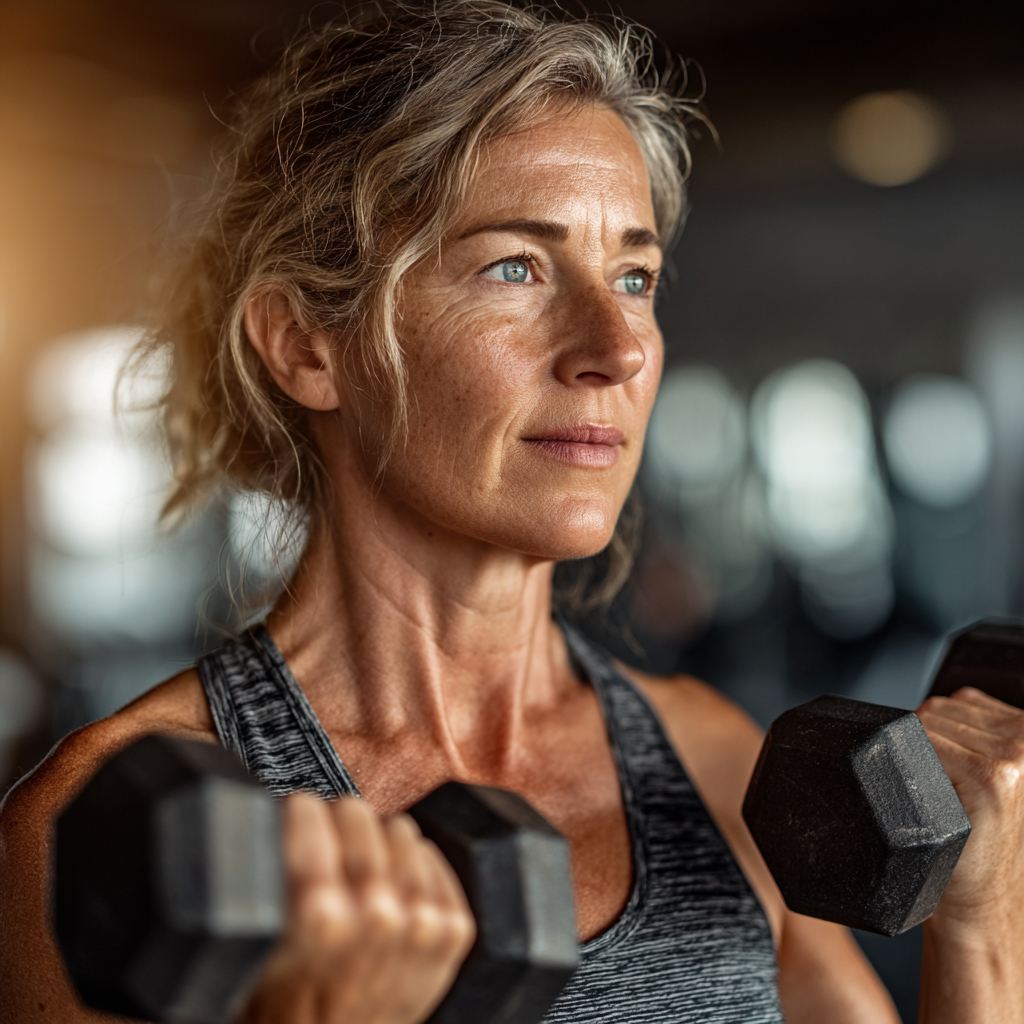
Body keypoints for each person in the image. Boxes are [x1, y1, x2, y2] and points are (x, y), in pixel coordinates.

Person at [3, 3, 1024, 1022]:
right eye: (514, 267)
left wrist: (980, 925)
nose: (616, 346)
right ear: (308, 345)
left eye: (634, 276)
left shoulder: (713, 762)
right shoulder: (104, 835)